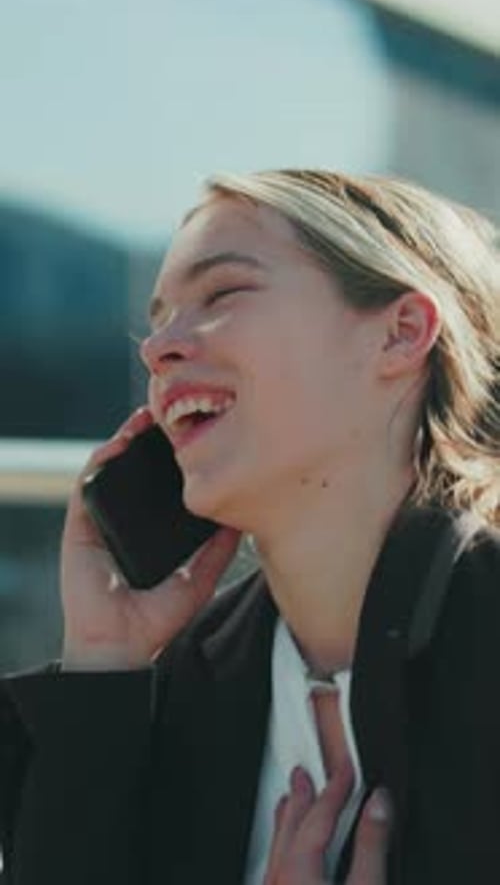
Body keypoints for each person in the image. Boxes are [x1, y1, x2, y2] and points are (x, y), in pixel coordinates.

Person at [0, 168, 499, 885]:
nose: (156, 348)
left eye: (222, 293)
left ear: (401, 333)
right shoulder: (189, 680)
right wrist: (102, 660)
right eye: (159, 316)